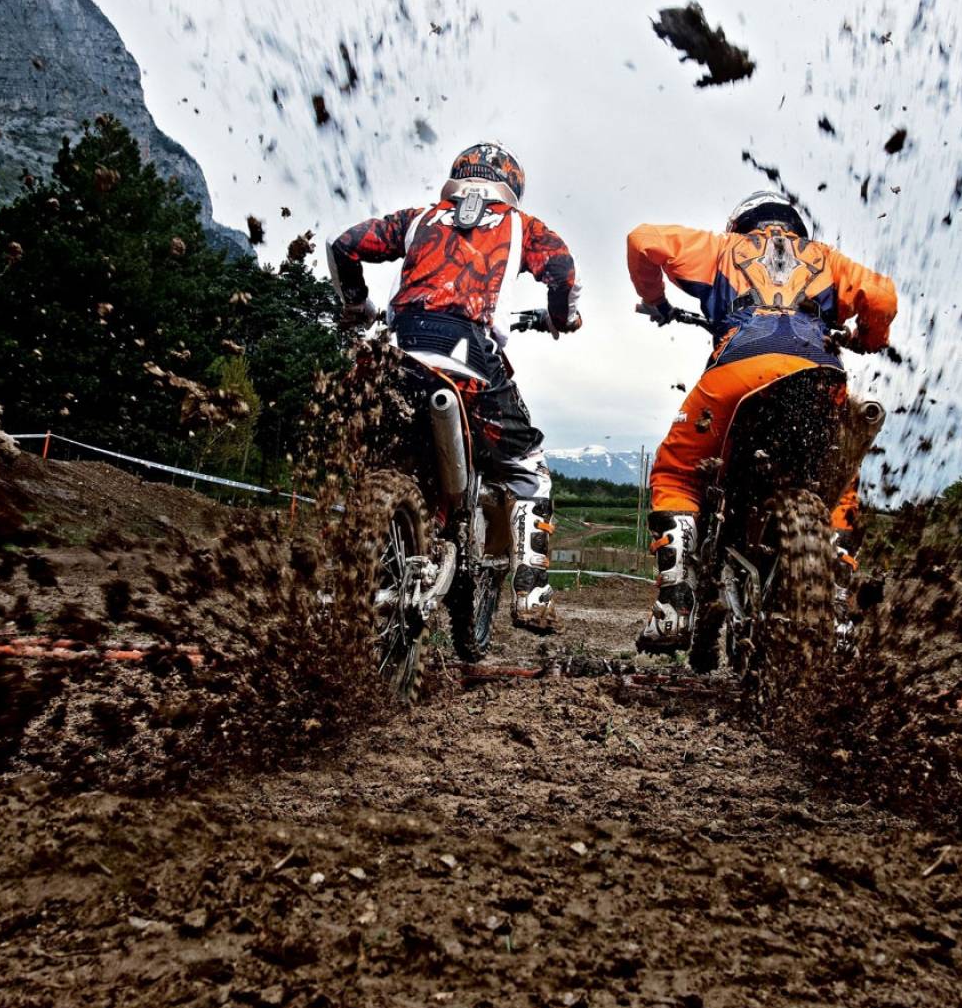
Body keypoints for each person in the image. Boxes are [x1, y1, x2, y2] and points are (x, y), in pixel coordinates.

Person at [626, 190, 897, 650]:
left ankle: (675, 603)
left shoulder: (720, 248)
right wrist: (869, 338)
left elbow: (642, 240)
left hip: (736, 374)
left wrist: (656, 300)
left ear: (741, 224)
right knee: (838, 484)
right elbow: (883, 296)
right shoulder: (825, 259)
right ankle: (836, 607)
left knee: (676, 473)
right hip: (818, 378)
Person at [329, 142, 580, 631]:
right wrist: (559, 316)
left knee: (368, 452)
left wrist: (356, 304)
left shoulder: (419, 219)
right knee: (529, 469)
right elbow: (563, 270)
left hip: (394, 352)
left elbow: (344, 244)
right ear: (511, 184)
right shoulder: (518, 224)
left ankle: (355, 546)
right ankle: (531, 592)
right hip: (466, 355)